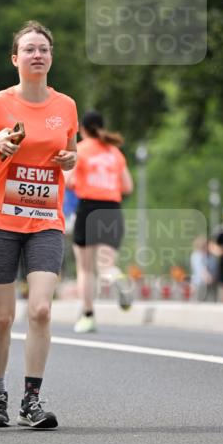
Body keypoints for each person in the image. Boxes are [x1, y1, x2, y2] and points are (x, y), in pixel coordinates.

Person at [0, 20, 77, 430]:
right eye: (29, 49)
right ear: (15, 58)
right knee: (3, 317)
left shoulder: (66, 106)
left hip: (45, 219)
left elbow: (71, 151)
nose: (37, 55)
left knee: (41, 309)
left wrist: (70, 160)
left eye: (43, 48)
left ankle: (31, 399)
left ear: (51, 56)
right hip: (0, 221)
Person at [67, 110, 134, 332]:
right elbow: (127, 187)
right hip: (112, 210)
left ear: (82, 130)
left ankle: (88, 316)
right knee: (106, 265)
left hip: (88, 208)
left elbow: (68, 180)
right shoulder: (115, 152)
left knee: (85, 269)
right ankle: (117, 278)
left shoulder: (81, 149)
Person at [189, 236, 217, 302]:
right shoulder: (196, 255)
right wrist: (207, 277)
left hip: (211, 285)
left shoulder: (212, 257)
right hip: (199, 284)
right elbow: (200, 269)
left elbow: (215, 269)